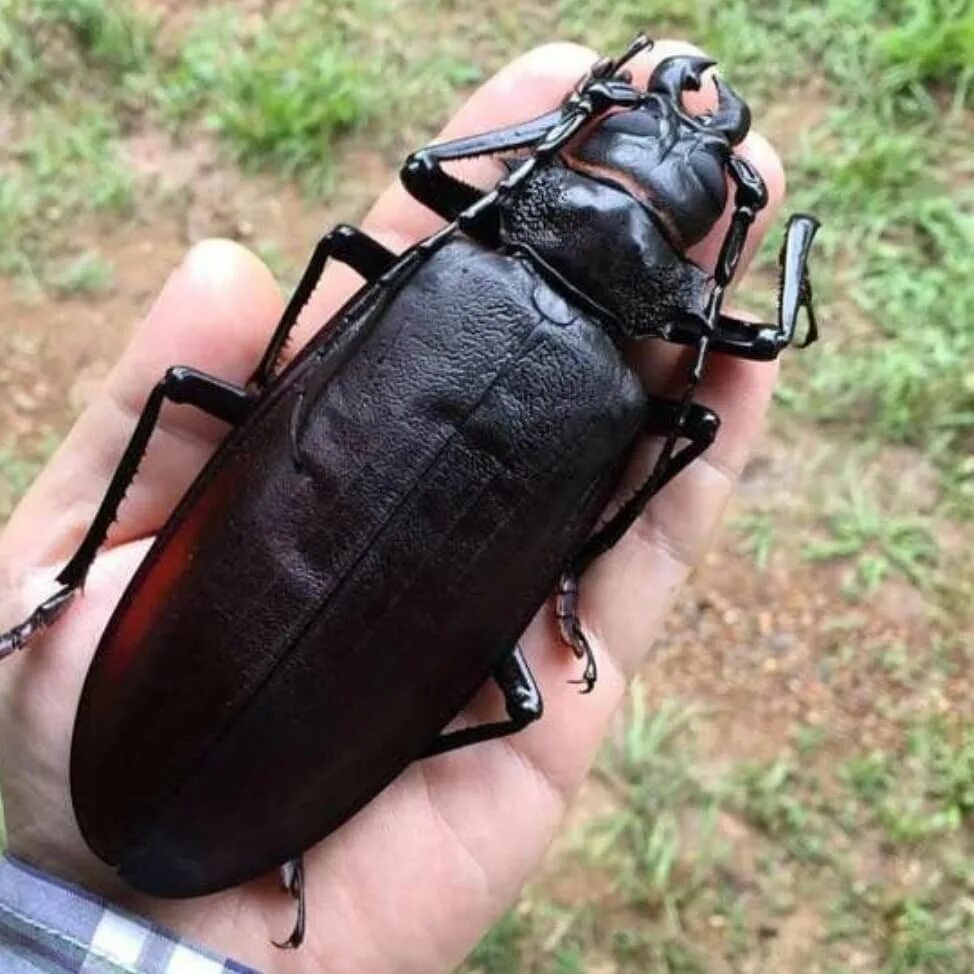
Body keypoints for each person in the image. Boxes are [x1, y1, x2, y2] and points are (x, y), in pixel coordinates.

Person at [0, 38, 786, 974]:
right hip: (254, 716)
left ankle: (74, 592)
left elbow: (423, 181)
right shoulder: (620, 403)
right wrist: (569, 575)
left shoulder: (447, 266)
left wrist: (265, 394)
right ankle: (293, 800)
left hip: (192, 676)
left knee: (187, 387)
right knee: (522, 704)